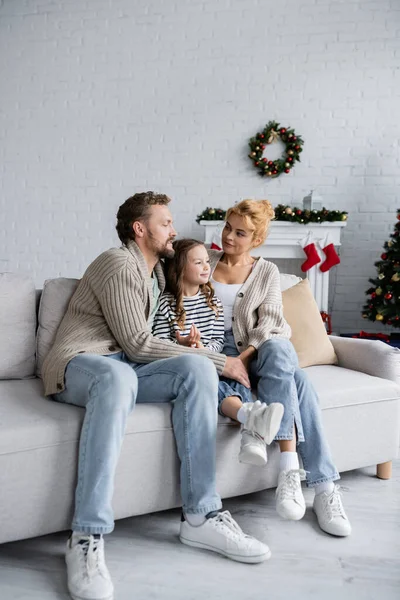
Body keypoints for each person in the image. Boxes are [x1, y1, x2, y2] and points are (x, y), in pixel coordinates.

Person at [41, 192, 271, 600]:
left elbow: (166, 322)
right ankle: (86, 536)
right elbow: (137, 344)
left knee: (195, 368)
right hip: (80, 363)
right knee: (122, 378)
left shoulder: (158, 273)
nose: (173, 229)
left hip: (124, 368)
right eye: (165, 222)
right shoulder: (118, 262)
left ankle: (201, 515)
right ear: (139, 229)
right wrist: (222, 360)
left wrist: (199, 349)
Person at [207, 199, 352, 537]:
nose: (228, 237)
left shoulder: (266, 270)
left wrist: (241, 359)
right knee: (299, 383)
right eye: (227, 227)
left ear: (256, 239)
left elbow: (271, 321)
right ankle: (321, 483)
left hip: (257, 350)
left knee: (280, 346)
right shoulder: (203, 260)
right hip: (214, 352)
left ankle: (291, 470)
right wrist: (221, 360)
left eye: (240, 233)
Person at [152, 237, 284, 466]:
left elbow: (218, 340)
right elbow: (159, 342)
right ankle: (249, 416)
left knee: (238, 377)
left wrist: (205, 349)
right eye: (198, 262)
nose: (207, 267)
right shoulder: (165, 305)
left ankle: (249, 424)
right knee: (210, 382)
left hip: (211, 359)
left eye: (206, 261)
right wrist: (183, 345)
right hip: (182, 365)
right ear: (181, 268)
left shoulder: (212, 302)